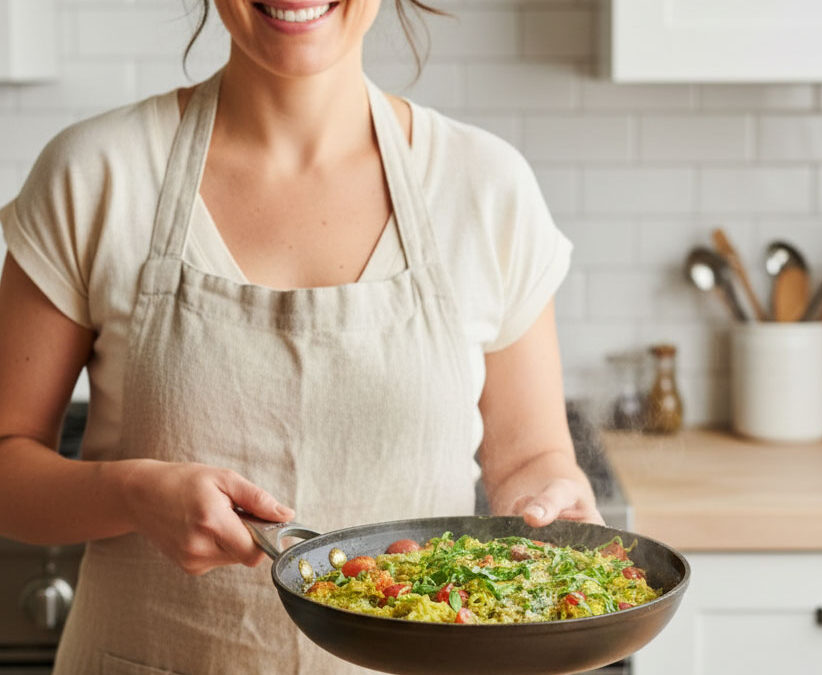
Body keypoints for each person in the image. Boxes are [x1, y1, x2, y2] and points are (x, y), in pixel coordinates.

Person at [0, 0, 601, 672]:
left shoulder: (485, 187)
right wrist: (133, 493)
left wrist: (552, 498)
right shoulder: (93, 175)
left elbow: (532, 462)